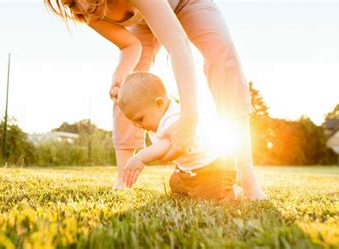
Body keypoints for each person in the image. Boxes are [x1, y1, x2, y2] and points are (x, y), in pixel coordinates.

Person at [44, 0, 266, 200]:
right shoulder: (86, 12)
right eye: (70, 4)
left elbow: (177, 43)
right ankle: (124, 179)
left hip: (187, 3)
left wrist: (188, 118)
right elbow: (130, 46)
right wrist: (119, 76)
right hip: (143, 24)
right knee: (129, 91)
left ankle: (248, 177)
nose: (80, 8)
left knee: (222, 54)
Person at [118, 72, 238, 200]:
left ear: (159, 104)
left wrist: (140, 157)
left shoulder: (173, 119)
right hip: (189, 170)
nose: (137, 125)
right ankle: (195, 183)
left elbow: (166, 145)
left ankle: (233, 191)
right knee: (175, 184)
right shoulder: (157, 119)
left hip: (214, 168)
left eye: (140, 119)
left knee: (210, 197)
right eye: (132, 122)